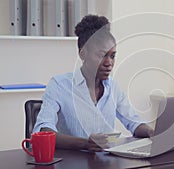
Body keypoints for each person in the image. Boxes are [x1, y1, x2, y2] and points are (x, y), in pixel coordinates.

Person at [33, 15, 154, 152]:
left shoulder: (112, 87)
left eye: (112, 56)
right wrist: (85, 143)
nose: (109, 63)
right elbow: (43, 131)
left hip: (105, 162)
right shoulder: (59, 85)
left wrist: (152, 132)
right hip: (70, 163)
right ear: (83, 54)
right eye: (102, 55)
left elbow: (134, 123)